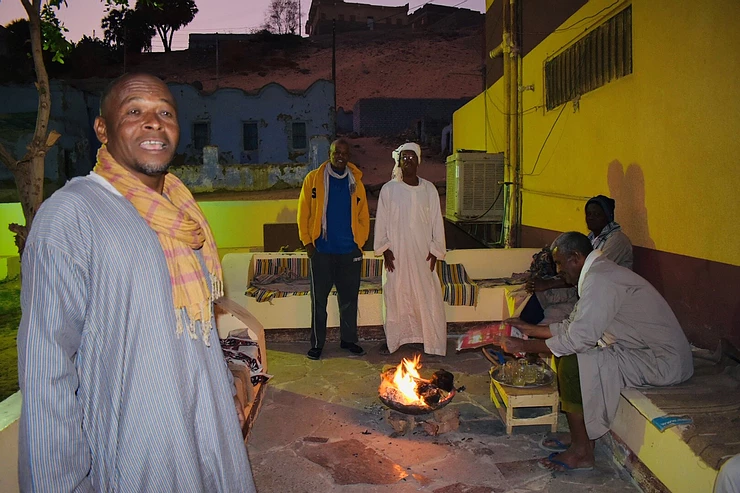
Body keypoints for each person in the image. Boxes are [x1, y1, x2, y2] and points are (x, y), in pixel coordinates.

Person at [17, 73, 256, 491]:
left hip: (209, 436)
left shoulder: (183, 212)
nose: (153, 122)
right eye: (134, 112)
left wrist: (222, 379)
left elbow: (192, 324)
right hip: (139, 454)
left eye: (165, 112)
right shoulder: (71, 218)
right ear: (102, 129)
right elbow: (46, 371)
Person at [502, 232, 693, 472]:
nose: (558, 270)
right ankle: (579, 436)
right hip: (641, 351)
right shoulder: (597, 275)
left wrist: (523, 346)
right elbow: (573, 326)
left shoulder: (601, 279)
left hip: (661, 361)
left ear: (575, 257)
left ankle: (583, 452)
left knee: (572, 362)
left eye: (560, 263)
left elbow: (578, 339)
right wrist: (528, 329)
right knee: (569, 355)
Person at [298, 138, 370, 360]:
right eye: (336, 151)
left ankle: (348, 340)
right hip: (322, 251)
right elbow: (304, 212)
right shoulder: (313, 179)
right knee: (318, 301)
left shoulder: (356, 182)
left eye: (344, 153)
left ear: (349, 156)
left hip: (349, 251)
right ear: (329, 153)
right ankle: (318, 343)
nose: (340, 156)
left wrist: (359, 244)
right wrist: (308, 243)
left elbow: (363, 215)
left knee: (349, 300)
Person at [374, 143, 447, 356]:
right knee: (397, 295)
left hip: (423, 254)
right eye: (404, 158)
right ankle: (397, 340)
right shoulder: (389, 190)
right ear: (398, 162)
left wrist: (436, 250)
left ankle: (430, 340)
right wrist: (384, 249)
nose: (408, 161)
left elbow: (436, 221)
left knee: (427, 296)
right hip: (397, 255)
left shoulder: (429, 189)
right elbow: (381, 222)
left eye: (412, 157)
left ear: (418, 161)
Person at [520, 194, 634, 325]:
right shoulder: (590, 238)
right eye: (589, 214)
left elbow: (592, 273)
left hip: (602, 294)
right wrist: (545, 283)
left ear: (608, 216)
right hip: (580, 287)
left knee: (552, 314)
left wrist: (549, 283)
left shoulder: (617, 240)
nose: (591, 218)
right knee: (541, 295)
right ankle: (522, 330)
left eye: (597, 214)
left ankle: (534, 335)